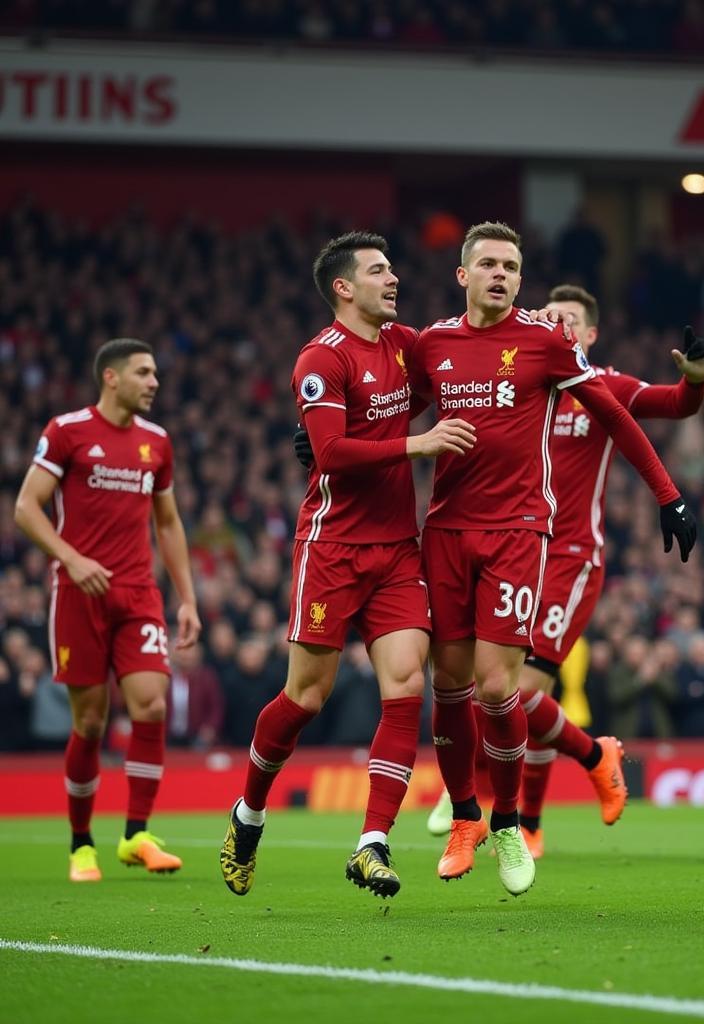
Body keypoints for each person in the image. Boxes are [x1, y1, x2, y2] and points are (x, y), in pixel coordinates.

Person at [406, 222, 699, 895]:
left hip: (520, 534)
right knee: (447, 685)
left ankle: (509, 823)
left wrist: (668, 494)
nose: (501, 273)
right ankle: (465, 816)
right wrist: (334, 436)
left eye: (511, 264)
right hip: (446, 531)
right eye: (487, 264)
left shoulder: (544, 343)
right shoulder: (434, 345)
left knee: (500, 689)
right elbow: (399, 410)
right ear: (463, 275)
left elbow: (622, 416)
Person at [219, 232, 477, 900]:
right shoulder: (321, 356)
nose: (393, 279)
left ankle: (372, 843)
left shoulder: (404, 344)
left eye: (392, 269)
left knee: (405, 685)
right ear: (344, 287)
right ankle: (249, 813)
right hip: (330, 547)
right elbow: (329, 454)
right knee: (306, 697)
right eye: (379, 271)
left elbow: (448, 374)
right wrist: (416, 442)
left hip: (396, 550)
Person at [14, 337, 201, 882]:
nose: (154, 382)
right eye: (144, 373)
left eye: (156, 373)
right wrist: (70, 560)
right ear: (112, 378)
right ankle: (80, 844)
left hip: (139, 594)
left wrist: (186, 597)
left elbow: (167, 523)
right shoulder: (67, 431)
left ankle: (136, 834)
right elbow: (26, 507)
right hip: (80, 594)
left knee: (152, 707)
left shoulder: (157, 443)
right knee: (91, 722)